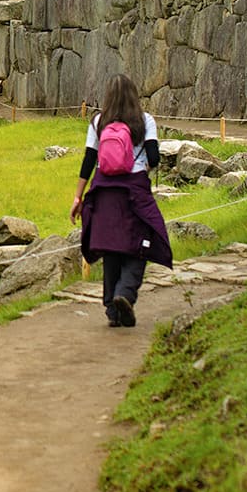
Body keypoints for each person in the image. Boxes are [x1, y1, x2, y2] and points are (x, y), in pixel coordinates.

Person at [69, 74, 171, 328]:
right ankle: (124, 293)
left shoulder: (97, 123)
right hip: (134, 190)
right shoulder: (145, 121)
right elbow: (154, 157)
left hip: (103, 190)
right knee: (141, 243)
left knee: (111, 246)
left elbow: (89, 161)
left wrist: (78, 196)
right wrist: (141, 168)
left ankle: (112, 310)